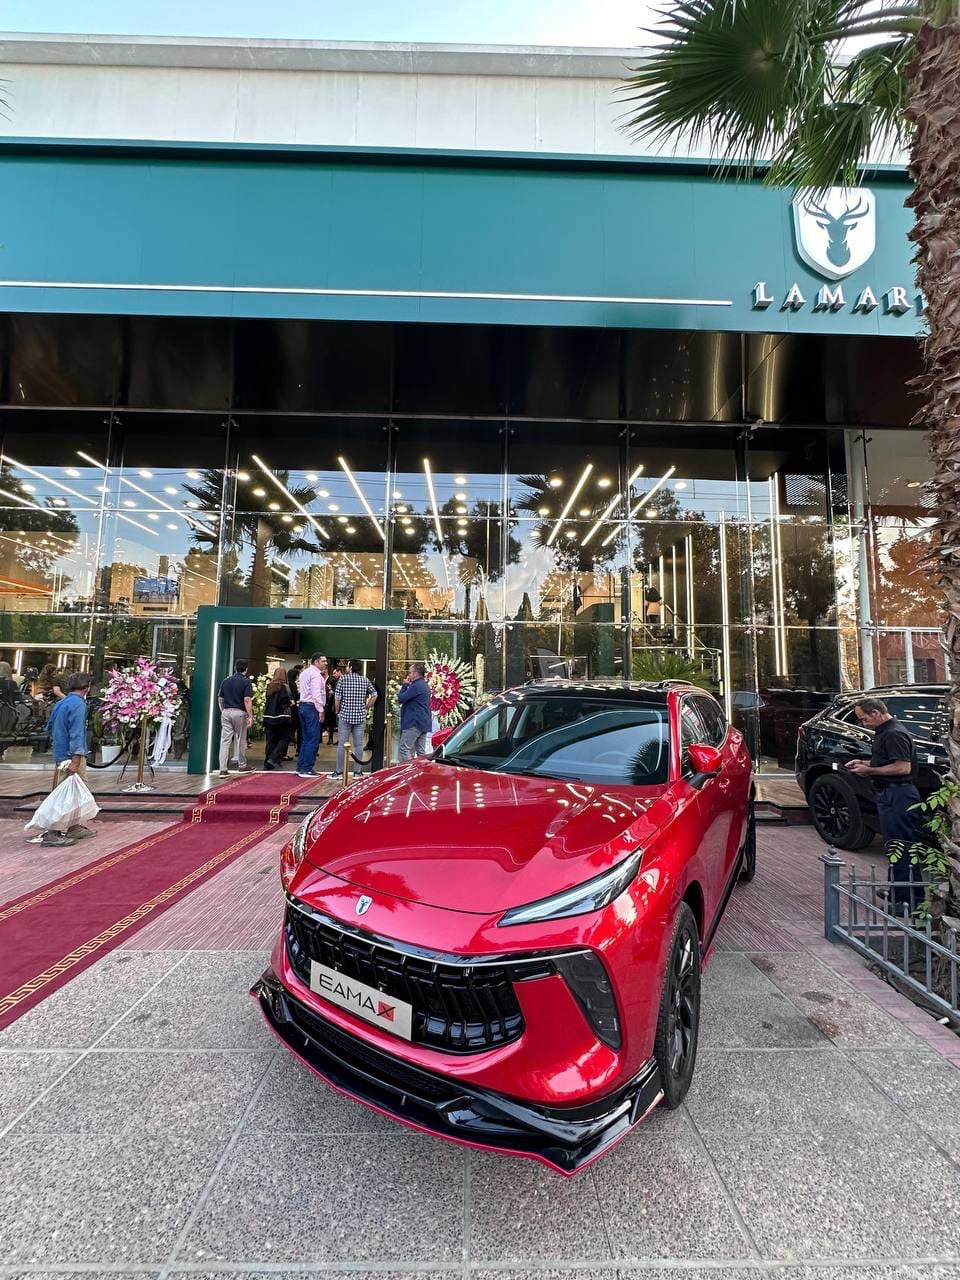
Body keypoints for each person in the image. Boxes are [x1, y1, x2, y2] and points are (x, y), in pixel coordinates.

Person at [846, 697, 923, 908]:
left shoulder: (894, 733)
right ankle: (898, 891)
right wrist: (864, 763)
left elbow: (902, 767)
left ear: (876, 713)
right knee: (894, 845)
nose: (864, 723)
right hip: (890, 792)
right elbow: (887, 761)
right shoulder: (885, 732)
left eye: (864, 719)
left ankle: (908, 901)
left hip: (898, 794)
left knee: (902, 846)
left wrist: (869, 770)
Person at [43, 672, 95, 847]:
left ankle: (73, 826)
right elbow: (77, 733)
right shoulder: (79, 705)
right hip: (71, 755)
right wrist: (76, 759)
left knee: (74, 791)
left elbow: (50, 727)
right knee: (66, 794)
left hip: (61, 752)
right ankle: (53, 832)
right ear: (86, 687)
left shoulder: (62, 702)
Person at [333, 659, 377, 780]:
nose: (347, 668)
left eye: (348, 666)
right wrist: (367, 707)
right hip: (360, 716)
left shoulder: (343, 679)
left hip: (345, 716)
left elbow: (337, 697)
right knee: (358, 745)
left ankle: (339, 772)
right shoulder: (365, 680)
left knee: (342, 744)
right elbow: (374, 695)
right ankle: (357, 772)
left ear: (351, 668)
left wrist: (337, 710)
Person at [217, 659, 254, 777]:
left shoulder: (226, 681)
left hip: (226, 712)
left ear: (235, 668)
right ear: (246, 669)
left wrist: (223, 710)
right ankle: (242, 765)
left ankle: (223, 769)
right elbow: (247, 700)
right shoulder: (246, 682)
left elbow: (220, 699)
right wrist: (250, 715)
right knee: (241, 740)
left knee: (225, 741)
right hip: (239, 713)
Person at [296, 653, 328, 777]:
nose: (326, 663)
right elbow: (316, 695)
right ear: (316, 662)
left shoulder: (304, 673)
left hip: (303, 706)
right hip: (312, 707)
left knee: (306, 739)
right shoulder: (316, 675)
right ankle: (307, 768)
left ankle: (301, 766)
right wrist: (321, 710)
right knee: (313, 739)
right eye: (323, 661)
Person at [397, 661, 431, 761]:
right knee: (421, 753)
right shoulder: (424, 685)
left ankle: (410, 769)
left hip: (414, 722)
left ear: (415, 673)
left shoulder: (416, 686)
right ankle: (422, 769)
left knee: (404, 749)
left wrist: (405, 685)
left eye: (410, 672)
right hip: (423, 722)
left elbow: (401, 698)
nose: (408, 675)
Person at [262, 668, 292, 771]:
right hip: (281, 717)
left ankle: (267, 762)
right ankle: (274, 758)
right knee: (285, 738)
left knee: (271, 740)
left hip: (268, 717)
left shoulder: (269, 686)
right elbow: (284, 701)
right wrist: (290, 703)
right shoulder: (284, 687)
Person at [322, 664, 341, 745]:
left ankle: (339, 740)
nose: (333, 675)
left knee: (338, 722)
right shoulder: (333, 680)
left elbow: (338, 692)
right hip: (332, 703)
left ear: (339, 672)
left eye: (335, 673)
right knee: (331, 721)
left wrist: (332, 690)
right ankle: (331, 738)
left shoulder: (341, 680)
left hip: (338, 704)